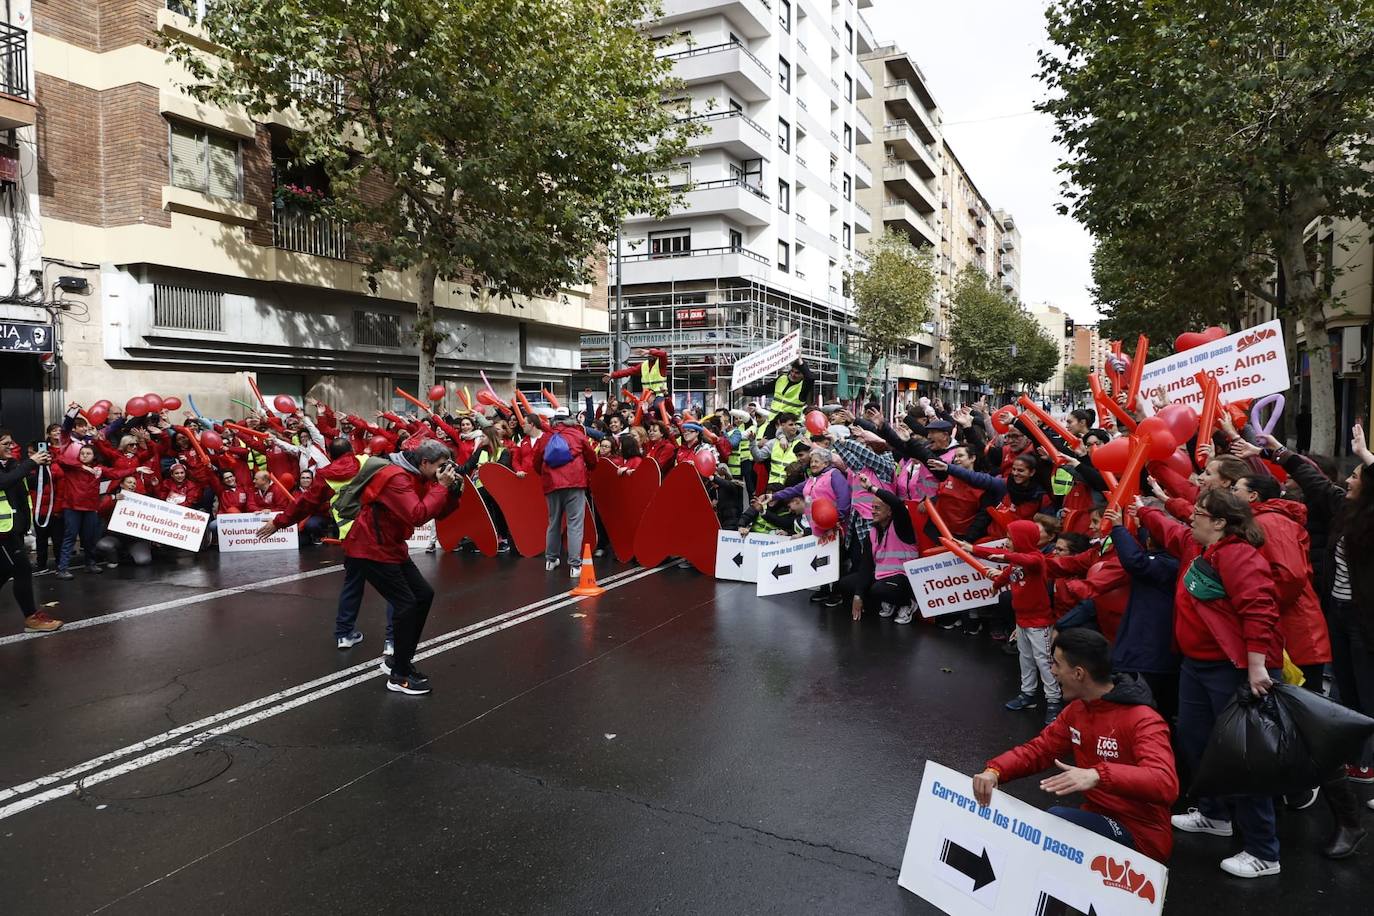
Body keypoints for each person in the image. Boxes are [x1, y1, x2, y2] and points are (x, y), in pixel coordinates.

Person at [1137, 489, 1285, 878]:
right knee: (1195, 741)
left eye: (1200, 513)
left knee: (1242, 756)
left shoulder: (1238, 556)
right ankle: (1214, 814)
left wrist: (1255, 667)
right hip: (1197, 666)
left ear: (1220, 522)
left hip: (1229, 670)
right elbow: (1175, 520)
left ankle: (1264, 851)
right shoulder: (1209, 551)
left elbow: (1260, 609)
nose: (1193, 517)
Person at [259, 439, 462, 695]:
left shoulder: (419, 477)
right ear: (424, 463)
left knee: (422, 595)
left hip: (386, 545)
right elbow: (418, 515)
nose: (446, 471)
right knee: (406, 603)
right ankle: (399, 674)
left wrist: (452, 492)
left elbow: (437, 512)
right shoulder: (397, 478)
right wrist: (280, 522)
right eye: (442, 466)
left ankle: (398, 662)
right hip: (368, 547)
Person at [973, 629, 1179, 863]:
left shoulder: (1143, 719)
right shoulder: (1078, 710)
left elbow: (1165, 782)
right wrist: (995, 771)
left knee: (1056, 822)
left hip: (1140, 835)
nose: (1052, 671)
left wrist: (1098, 774)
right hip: (1097, 819)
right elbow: (1040, 750)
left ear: (1079, 673)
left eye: (1057, 664)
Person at [968, 519, 1063, 724]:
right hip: (1022, 620)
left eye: (1011, 539)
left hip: (1039, 622)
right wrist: (973, 550)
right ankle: (1027, 694)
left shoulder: (1036, 559)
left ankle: (1054, 701)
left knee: (1044, 661)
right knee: (1026, 659)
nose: (1006, 542)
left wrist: (1003, 556)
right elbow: (1004, 576)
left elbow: (1027, 562)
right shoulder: (1015, 563)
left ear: (1022, 540)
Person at [0, 430, 62, 632]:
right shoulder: (14, 467)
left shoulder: (12, 465)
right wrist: (31, 462)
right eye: (5, 443)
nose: (11, 446)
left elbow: (27, 486)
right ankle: (32, 618)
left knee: (5, 570)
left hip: (12, 529)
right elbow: (3, 482)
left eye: (11, 442)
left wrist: (43, 468)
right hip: (2, 532)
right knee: (22, 569)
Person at [532, 407, 598, 577]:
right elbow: (592, 459)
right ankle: (575, 566)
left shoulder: (545, 437)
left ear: (554, 420)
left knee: (553, 522)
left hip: (551, 485)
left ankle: (551, 560)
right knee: (575, 524)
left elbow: (536, 463)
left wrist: (547, 475)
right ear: (570, 419)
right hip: (575, 483)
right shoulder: (577, 435)